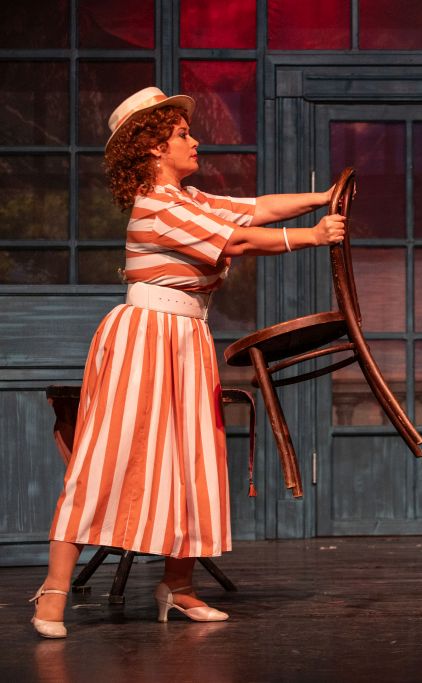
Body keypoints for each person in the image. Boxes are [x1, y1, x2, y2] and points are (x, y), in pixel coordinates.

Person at [30, 87, 347, 638]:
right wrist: (312, 237)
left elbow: (256, 208)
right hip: (145, 336)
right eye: (183, 134)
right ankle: (54, 588)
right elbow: (239, 242)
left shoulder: (190, 200)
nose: (194, 141)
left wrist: (323, 197)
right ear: (155, 148)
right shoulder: (155, 206)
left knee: (192, 458)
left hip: (187, 336)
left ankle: (177, 588)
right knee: (109, 458)